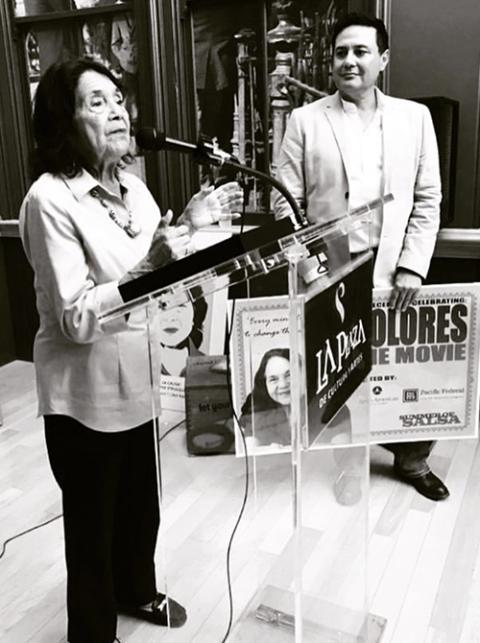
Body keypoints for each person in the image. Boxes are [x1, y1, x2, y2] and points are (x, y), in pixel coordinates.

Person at [19, 57, 242, 643]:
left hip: (139, 377)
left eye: (118, 97)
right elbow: (73, 317)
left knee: (141, 504)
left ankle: (135, 589)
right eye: (96, 101)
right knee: (92, 525)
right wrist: (151, 263)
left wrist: (190, 228)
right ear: (63, 123)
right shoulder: (50, 202)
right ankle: (92, 632)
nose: (117, 109)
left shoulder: (136, 189)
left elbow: (159, 269)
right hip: (83, 393)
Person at [273, 13, 449, 502]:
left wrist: (413, 265)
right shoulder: (304, 120)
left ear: (383, 60)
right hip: (331, 275)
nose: (348, 61)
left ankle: (413, 462)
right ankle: (348, 464)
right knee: (340, 378)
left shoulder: (415, 119)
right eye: (340, 53)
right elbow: (282, 206)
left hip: (396, 273)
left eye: (360, 51)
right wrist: (311, 271)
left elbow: (429, 198)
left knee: (408, 371)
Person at [239, 348, 291, 448]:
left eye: (289, 375)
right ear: (264, 383)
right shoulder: (256, 411)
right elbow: (251, 453)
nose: (283, 384)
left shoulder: (314, 404)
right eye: (273, 379)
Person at [157, 294, 208, 377]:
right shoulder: (137, 365)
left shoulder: (209, 368)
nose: (170, 318)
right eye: (162, 306)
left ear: (194, 315)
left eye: (180, 306)